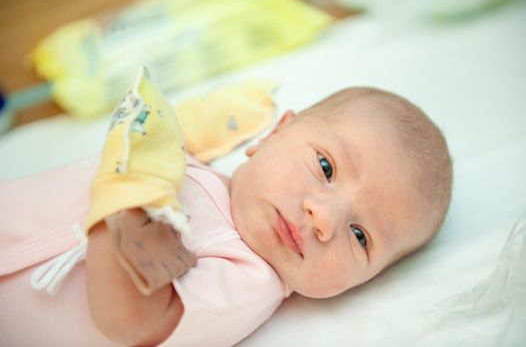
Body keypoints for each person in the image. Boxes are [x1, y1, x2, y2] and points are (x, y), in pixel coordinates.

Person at [0, 86, 452, 346]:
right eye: (326, 167)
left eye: (360, 236)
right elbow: (154, 134)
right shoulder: (196, 168)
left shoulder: (249, 279)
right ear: (275, 133)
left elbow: (132, 323)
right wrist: (182, 128)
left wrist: (120, 212)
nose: (324, 218)